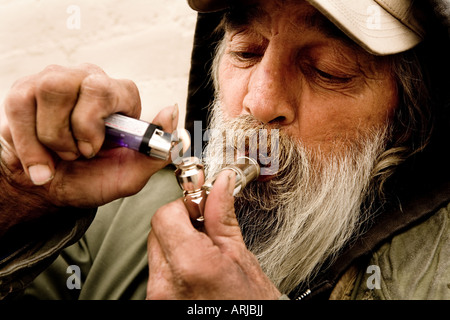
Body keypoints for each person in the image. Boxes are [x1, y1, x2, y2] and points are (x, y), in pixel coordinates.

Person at [0, 0, 449, 300]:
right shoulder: (123, 211)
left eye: (327, 71)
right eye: (247, 50)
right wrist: (20, 201)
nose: (259, 100)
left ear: (408, 116)